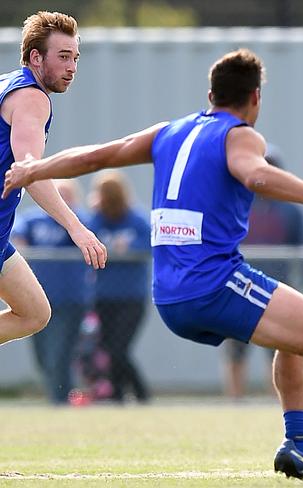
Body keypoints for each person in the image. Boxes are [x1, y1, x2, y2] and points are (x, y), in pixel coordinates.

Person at [1, 48, 303, 482]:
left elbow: (97, 155)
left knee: (297, 338)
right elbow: (257, 174)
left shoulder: (170, 131)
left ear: (210, 95)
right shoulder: (239, 135)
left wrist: (34, 168)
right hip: (213, 283)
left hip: (169, 293)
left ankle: (301, 444)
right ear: (255, 99)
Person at [0, 11, 106, 351]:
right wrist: (76, 227)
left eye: (75, 57)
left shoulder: (7, 84)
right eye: (63, 57)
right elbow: (30, 172)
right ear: (35, 57)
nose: (72, 67)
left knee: (34, 312)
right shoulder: (33, 97)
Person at [224, 146, 303, 399]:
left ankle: (275, 401)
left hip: (275, 289)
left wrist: (301, 282)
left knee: (277, 349)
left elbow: (302, 247)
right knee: (235, 348)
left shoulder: (290, 209)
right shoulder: (235, 204)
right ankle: (234, 400)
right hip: (238, 287)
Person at [11, 179, 91, 404]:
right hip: (37, 297)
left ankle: (61, 400)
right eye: (58, 195)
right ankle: (55, 395)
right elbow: (17, 236)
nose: (62, 200)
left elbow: (86, 236)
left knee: (61, 353)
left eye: (67, 196)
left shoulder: (78, 221)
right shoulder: (32, 219)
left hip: (70, 299)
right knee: (42, 356)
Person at [86, 170, 151, 403]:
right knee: (109, 348)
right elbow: (85, 238)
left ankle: (140, 393)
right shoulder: (96, 219)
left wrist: (130, 246)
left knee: (118, 348)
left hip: (132, 298)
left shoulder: (136, 219)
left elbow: (150, 244)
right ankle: (118, 395)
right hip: (103, 296)